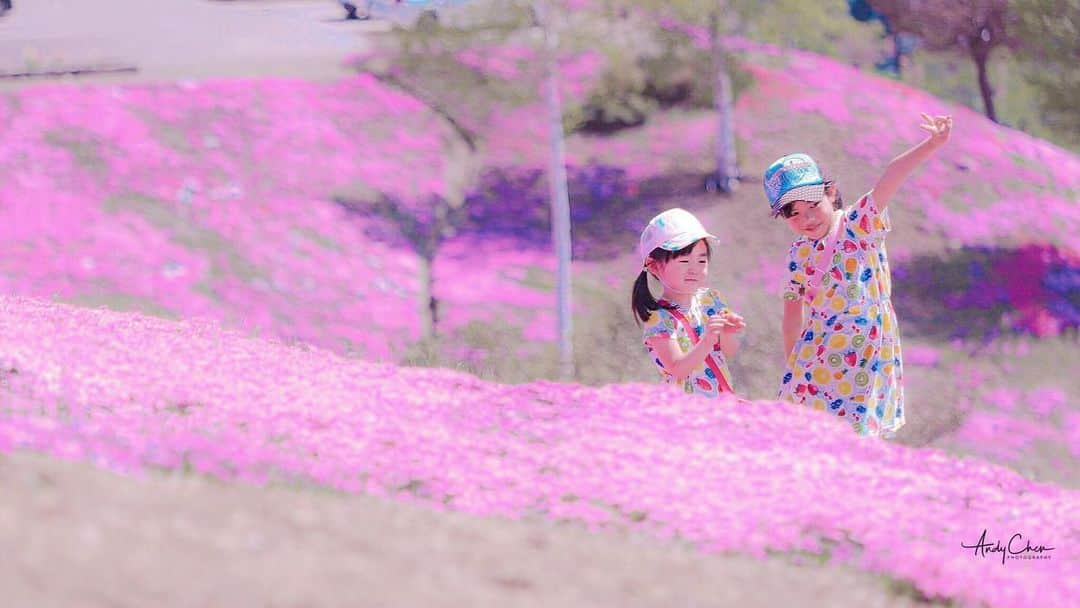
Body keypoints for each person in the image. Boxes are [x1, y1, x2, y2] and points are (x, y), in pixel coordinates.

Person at [765, 113, 953, 437]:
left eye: (812, 204)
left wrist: (931, 145)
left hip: (865, 349)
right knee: (811, 433)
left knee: (857, 434)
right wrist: (794, 367)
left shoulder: (858, 225)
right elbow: (791, 312)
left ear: (831, 192)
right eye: (792, 213)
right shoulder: (798, 253)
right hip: (818, 354)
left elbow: (891, 176)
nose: (806, 218)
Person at [632, 208, 746, 397]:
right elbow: (677, 369)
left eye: (701, 261)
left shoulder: (711, 300)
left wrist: (727, 333)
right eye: (684, 261)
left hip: (721, 404)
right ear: (654, 266)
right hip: (685, 412)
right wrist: (708, 339)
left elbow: (729, 351)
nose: (694, 269)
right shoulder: (658, 319)